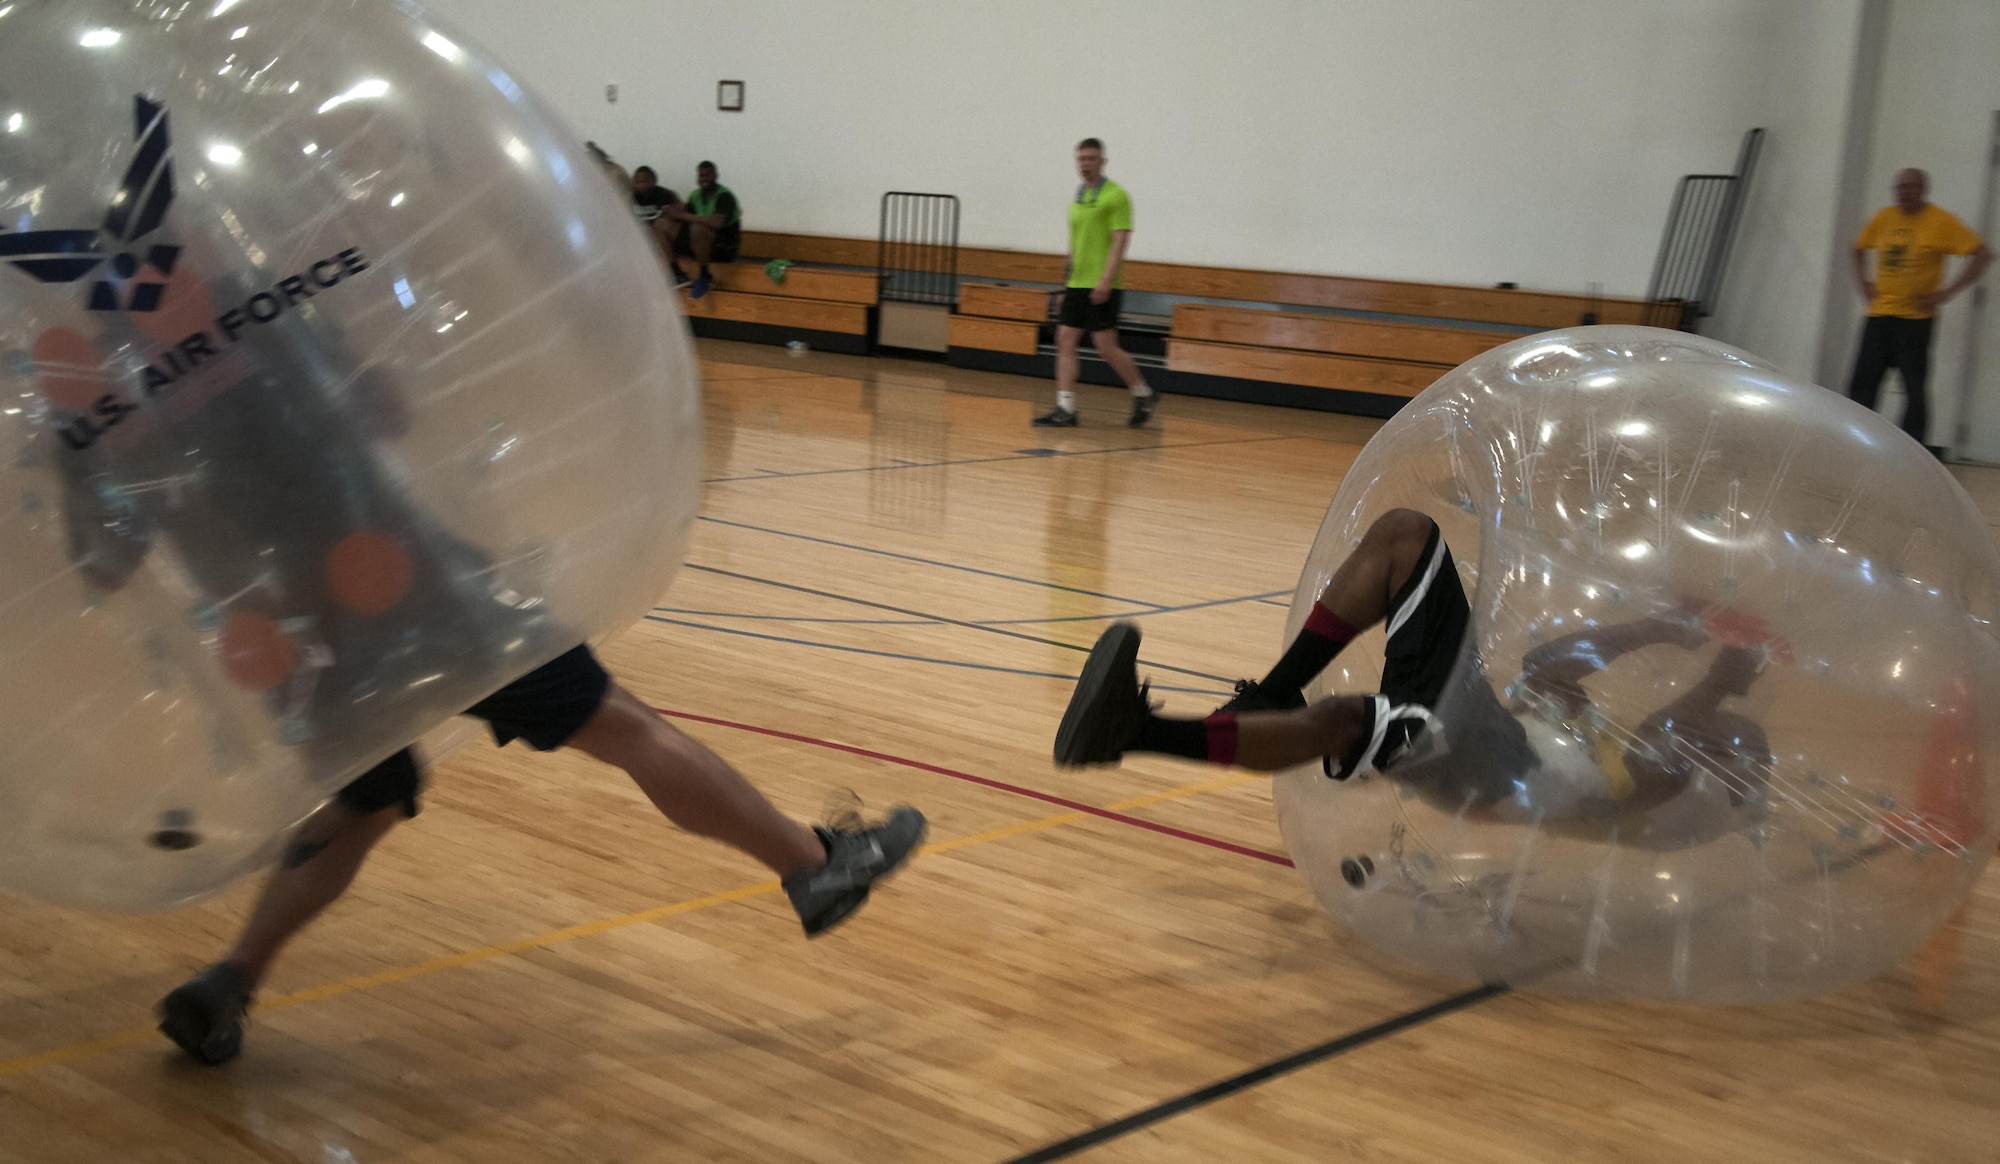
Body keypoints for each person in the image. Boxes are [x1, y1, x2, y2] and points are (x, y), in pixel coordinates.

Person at [157, 648, 927, 1066]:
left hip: (280, 627)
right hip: (401, 584)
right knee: (623, 725)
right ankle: (815, 864)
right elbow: (385, 409)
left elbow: (104, 559)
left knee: (370, 797)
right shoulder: (273, 350)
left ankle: (232, 979)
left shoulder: (101, 377)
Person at [1054, 509, 1773, 825]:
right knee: (1406, 536)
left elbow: (1693, 713)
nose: (1690, 730)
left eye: (1713, 738)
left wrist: (1725, 665)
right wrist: (1669, 626)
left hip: (1495, 768)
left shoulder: (1653, 779)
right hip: (1481, 716)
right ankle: (1269, 693)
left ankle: (1133, 735)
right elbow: (1556, 660)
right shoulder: (1613, 737)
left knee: (1343, 719)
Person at [1847, 168, 1993, 454]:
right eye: (1899, 188)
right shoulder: (1883, 218)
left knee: (1914, 390)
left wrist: (1947, 293)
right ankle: (1854, 444)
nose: (1904, 193)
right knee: (1862, 384)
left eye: (1910, 187)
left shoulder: (1940, 222)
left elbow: (1983, 254)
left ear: (1923, 189)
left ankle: (1913, 453)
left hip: (1915, 321)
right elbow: (1857, 248)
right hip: (1879, 316)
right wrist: (1863, 281)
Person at [1033, 138, 1157, 429]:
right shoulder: (1078, 198)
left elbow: (1120, 241)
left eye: (1091, 158)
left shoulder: (1116, 196)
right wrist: (1065, 285)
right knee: (1065, 340)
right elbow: (1075, 244)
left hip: (1103, 284)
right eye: (1081, 159)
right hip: (1077, 283)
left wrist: (1105, 281)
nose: (1085, 163)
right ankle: (1066, 408)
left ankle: (1143, 393)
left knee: (1105, 347)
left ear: (1103, 162)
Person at [670, 160, 742, 301]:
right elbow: (684, 219)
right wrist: (673, 211)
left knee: (698, 228)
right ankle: (676, 272)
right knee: (662, 225)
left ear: (715, 175)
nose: (704, 179)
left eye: (707, 175)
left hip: (724, 246)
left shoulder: (724, 196)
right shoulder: (695, 195)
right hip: (701, 244)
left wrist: (684, 215)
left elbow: (716, 222)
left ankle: (704, 276)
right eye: (701, 176)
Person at [629, 164, 688, 286]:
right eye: (638, 182)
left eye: (645, 181)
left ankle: (675, 271)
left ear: (654, 181)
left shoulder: (665, 195)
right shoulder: (630, 198)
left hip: (663, 237)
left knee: (659, 226)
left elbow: (677, 216)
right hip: (642, 240)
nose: (642, 185)